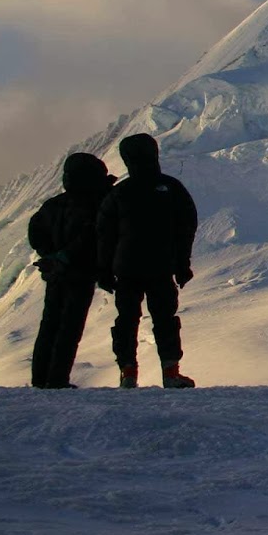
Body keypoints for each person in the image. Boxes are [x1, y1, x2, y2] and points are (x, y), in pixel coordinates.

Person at [97, 133, 199, 389]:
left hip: (126, 268)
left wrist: (105, 269)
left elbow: (104, 234)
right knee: (164, 318)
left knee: (127, 320)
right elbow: (186, 228)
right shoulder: (171, 188)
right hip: (161, 266)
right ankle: (171, 373)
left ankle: (128, 372)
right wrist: (182, 264)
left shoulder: (120, 192)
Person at [27, 152, 114, 389]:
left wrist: (49, 256)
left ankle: (40, 379)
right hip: (80, 274)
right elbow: (92, 237)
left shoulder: (53, 206)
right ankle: (56, 379)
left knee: (50, 325)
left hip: (56, 274)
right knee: (69, 328)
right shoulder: (95, 205)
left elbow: (35, 232)